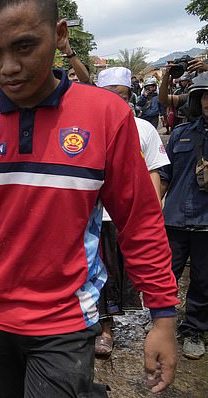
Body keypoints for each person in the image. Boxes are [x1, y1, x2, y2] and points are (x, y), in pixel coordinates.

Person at [0, 1, 179, 398]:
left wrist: (163, 315)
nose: (8, 68)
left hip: (63, 322)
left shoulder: (107, 117)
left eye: (25, 46)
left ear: (59, 36)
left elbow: (139, 222)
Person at [95, 67, 171, 357]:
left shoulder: (144, 129)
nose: (118, 101)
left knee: (119, 274)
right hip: (91, 218)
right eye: (111, 95)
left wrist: (150, 216)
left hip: (123, 218)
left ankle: (113, 326)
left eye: (123, 96)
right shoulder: (87, 128)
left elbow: (153, 171)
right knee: (96, 274)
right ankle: (100, 327)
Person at [160, 72, 208, 360]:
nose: (207, 101)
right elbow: (165, 175)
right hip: (174, 219)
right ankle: (160, 321)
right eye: (204, 96)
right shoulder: (181, 133)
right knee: (166, 275)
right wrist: (153, 209)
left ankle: (193, 329)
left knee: (203, 280)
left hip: (206, 225)